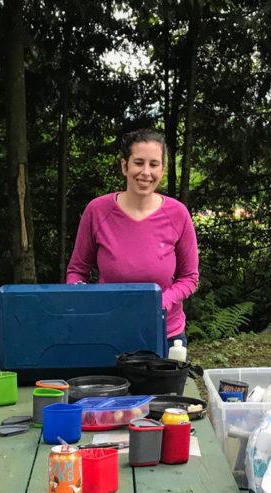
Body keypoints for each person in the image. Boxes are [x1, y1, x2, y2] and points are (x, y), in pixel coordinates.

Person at [66, 128, 199, 350]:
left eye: (154, 164)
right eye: (138, 163)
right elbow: (77, 270)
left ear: (163, 169)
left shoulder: (178, 214)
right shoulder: (97, 210)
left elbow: (189, 278)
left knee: (163, 388)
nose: (146, 172)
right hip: (108, 334)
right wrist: (81, 298)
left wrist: (159, 303)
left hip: (166, 336)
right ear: (124, 166)